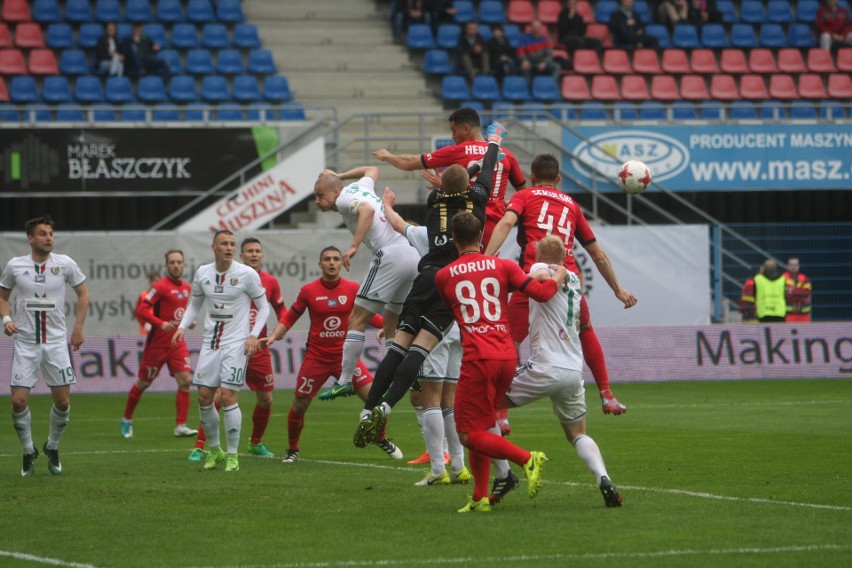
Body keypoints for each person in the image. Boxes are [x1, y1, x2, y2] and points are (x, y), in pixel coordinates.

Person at [352, 123, 504, 456]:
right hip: (450, 281)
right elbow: (487, 171)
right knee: (420, 350)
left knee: (398, 347)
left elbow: (461, 182)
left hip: (424, 278)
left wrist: (465, 174)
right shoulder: (477, 201)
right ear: (470, 188)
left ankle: (368, 408)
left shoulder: (435, 201)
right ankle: (387, 406)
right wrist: (493, 142)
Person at [484, 154, 637, 415]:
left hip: (533, 276)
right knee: (586, 330)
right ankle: (606, 395)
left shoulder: (524, 196)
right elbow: (597, 254)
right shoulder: (571, 205)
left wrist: (486, 259)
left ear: (532, 177)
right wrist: (618, 290)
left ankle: (501, 414)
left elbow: (507, 222)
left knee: (511, 341)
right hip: (568, 280)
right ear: (558, 179)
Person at [436, 211, 567, 513]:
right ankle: (480, 498)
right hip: (507, 356)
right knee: (482, 427)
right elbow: (543, 293)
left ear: (453, 239)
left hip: (478, 357)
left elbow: (453, 309)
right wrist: (560, 273)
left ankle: (526, 459)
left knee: (468, 433)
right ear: (482, 235)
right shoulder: (504, 266)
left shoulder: (444, 276)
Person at [501, 235, 622, 507]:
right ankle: (603, 476)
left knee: (480, 405)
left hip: (544, 366)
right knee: (577, 433)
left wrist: (547, 272)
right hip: (572, 371)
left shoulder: (540, 269)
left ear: (538, 255)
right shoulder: (576, 282)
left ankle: (504, 473)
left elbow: (542, 277)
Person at [260, 246, 403, 462]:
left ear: (341, 263)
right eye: (327, 259)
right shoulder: (309, 291)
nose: (332, 262)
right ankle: (292, 450)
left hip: (346, 358)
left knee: (375, 398)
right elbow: (289, 317)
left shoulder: (353, 288)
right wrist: (274, 337)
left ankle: (380, 438)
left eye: (336, 258)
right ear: (320, 264)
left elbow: (368, 316)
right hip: (316, 358)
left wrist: (389, 325)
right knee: (299, 405)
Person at [378, 187, 473, 486]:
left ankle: (437, 468)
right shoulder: (477, 241)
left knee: (428, 399)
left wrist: (387, 203)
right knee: (449, 400)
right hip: (463, 326)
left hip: (438, 325)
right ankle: (459, 466)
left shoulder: (426, 237)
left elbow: (395, 222)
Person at [312, 166, 420, 401]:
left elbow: (367, 210)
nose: (317, 201)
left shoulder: (342, 200)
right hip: (411, 255)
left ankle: (344, 381)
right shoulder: (361, 186)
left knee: (356, 319)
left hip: (390, 255)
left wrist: (354, 245)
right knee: (391, 322)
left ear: (335, 191)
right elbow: (373, 169)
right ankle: (405, 375)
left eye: (320, 195)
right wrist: (339, 175)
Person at [172, 230, 269, 472]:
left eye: (232, 244)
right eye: (224, 243)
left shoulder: (246, 274)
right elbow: (194, 304)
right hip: (210, 343)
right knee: (204, 397)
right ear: (213, 246)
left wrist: (253, 335)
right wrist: (182, 327)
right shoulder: (203, 273)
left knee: (227, 397)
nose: (229, 247)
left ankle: (234, 456)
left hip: (236, 344)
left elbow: (264, 308)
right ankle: (215, 450)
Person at [1, 215, 89, 477]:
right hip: (26, 343)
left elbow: (83, 294)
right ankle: (28, 451)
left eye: (51, 233)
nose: (48, 238)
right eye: (42, 234)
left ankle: (52, 446)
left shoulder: (65, 264)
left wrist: (78, 328)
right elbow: (2, 297)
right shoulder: (15, 266)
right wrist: (6, 319)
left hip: (56, 344)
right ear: (30, 238)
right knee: (18, 402)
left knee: (62, 402)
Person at [372, 106, 527, 249]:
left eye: (454, 130)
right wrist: (510, 204)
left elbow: (409, 163)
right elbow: (524, 193)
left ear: (466, 129)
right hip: (497, 227)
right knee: (487, 268)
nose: (452, 136)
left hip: (468, 221)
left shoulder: (458, 150)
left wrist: (388, 157)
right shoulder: (508, 155)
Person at [122, 250, 197, 440]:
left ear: (184, 265)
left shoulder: (187, 288)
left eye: (179, 262)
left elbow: (180, 313)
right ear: (166, 266)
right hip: (157, 344)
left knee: (186, 381)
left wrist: (187, 322)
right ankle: (127, 419)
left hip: (177, 342)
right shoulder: (160, 286)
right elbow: (141, 310)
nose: (176, 265)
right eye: (172, 262)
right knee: (143, 383)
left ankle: (181, 425)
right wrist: (160, 323)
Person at [516, 20, 562, 85]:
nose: (536, 30)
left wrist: (544, 63)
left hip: (542, 63)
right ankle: (528, 90)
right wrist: (524, 61)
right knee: (523, 68)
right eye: (534, 27)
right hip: (529, 63)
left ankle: (551, 86)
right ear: (531, 28)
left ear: (541, 29)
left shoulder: (546, 40)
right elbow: (520, 52)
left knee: (556, 66)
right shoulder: (524, 38)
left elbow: (549, 55)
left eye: (538, 28)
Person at [753, 259, 787, 323]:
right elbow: (785, 295)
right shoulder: (783, 279)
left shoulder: (758, 279)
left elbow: (754, 295)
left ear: (763, 268)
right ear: (775, 268)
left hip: (764, 313)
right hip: (779, 313)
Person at [783, 257, 812, 323]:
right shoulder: (783, 278)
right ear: (788, 266)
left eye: (795, 265)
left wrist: (793, 291)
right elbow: (786, 295)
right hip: (788, 315)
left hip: (804, 315)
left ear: (798, 266)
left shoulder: (804, 278)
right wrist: (799, 292)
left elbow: (806, 293)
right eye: (791, 265)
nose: (793, 267)